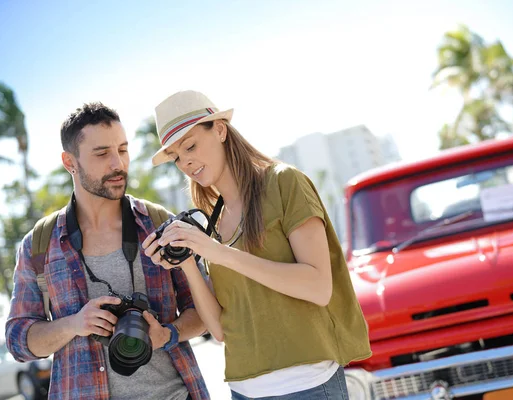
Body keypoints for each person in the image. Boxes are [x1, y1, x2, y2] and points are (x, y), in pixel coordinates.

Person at [143, 90, 372, 399]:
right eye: (176, 157)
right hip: (244, 390)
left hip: (309, 386)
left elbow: (318, 287)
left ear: (220, 129)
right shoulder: (216, 222)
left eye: (191, 146)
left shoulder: (284, 183)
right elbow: (221, 330)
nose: (186, 162)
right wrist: (187, 263)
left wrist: (219, 253)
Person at [5, 102, 210, 400]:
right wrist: (75, 324)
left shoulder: (159, 224)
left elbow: (204, 310)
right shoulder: (39, 245)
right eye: (102, 154)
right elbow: (17, 341)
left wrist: (167, 334)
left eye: (123, 150)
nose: (118, 164)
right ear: (70, 162)